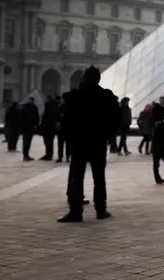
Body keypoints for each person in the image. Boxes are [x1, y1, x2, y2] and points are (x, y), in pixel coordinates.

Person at [57, 66, 120, 223]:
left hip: (78, 143)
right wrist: (105, 136)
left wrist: (68, 139)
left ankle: (75, 212)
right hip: (98, 142)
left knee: (77, 178)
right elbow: (115, 122)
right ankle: (101, 210)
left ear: (83, 79)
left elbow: (63, 123)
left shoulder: (72, 98)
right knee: (99, 178)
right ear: (98, 79)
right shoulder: (107, 97)